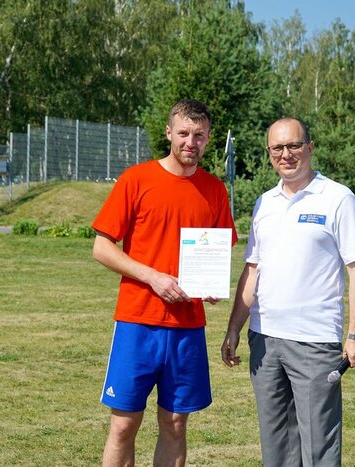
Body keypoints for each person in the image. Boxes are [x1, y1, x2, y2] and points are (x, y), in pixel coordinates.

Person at [91, 99, 237, 466]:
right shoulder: (137, 179)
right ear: (169, 132)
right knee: (123, 425)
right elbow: (102, 248)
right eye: (184, 133)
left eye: (199, 135)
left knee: (175, 425)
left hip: (187, 327)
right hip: (137, 322)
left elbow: (219, 250)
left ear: (209, 138)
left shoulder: (214, 190)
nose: (191, 142)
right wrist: (152, 277)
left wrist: (210, 284)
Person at [221, 117, 355, 466]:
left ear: (310, 148)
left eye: (293, 146)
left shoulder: (338, 198)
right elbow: (253, 270)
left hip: (314, 341)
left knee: (319, 448)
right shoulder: (264, 203)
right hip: (264, 340)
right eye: (277, 148)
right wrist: (234, 328)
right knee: (276, 448)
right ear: (269, 153)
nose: (286, 154)